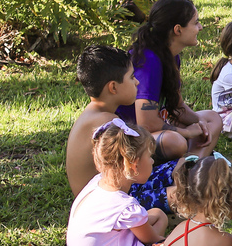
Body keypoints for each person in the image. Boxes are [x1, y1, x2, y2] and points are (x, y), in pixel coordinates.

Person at [66, 45, 185, 211]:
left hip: (107, 193)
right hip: (106, 204)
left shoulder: (93, 114)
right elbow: (136, 169)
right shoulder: (109, 124)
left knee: (182, 165)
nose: (137, 82)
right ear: (113, 87)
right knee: (181, 194)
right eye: (132, 77)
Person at [66, 118, 167, 246]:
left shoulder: (97, 183)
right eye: (149, 157)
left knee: (157, 214)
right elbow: (154, 239)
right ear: (133, 164)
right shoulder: (125, 207)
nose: (151, 161)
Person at [118, 0, 223, 160]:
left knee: (212, 118)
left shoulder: (171, 56)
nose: (200, 27)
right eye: (195, 23)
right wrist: (187, 132)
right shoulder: (149, 62)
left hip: (153, 129)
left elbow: (178, 107)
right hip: (127, 138)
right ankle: (190, 168)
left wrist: (201, 123)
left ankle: (194, 164)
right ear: (178, 29)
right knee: (175, 141)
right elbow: (146, 124)